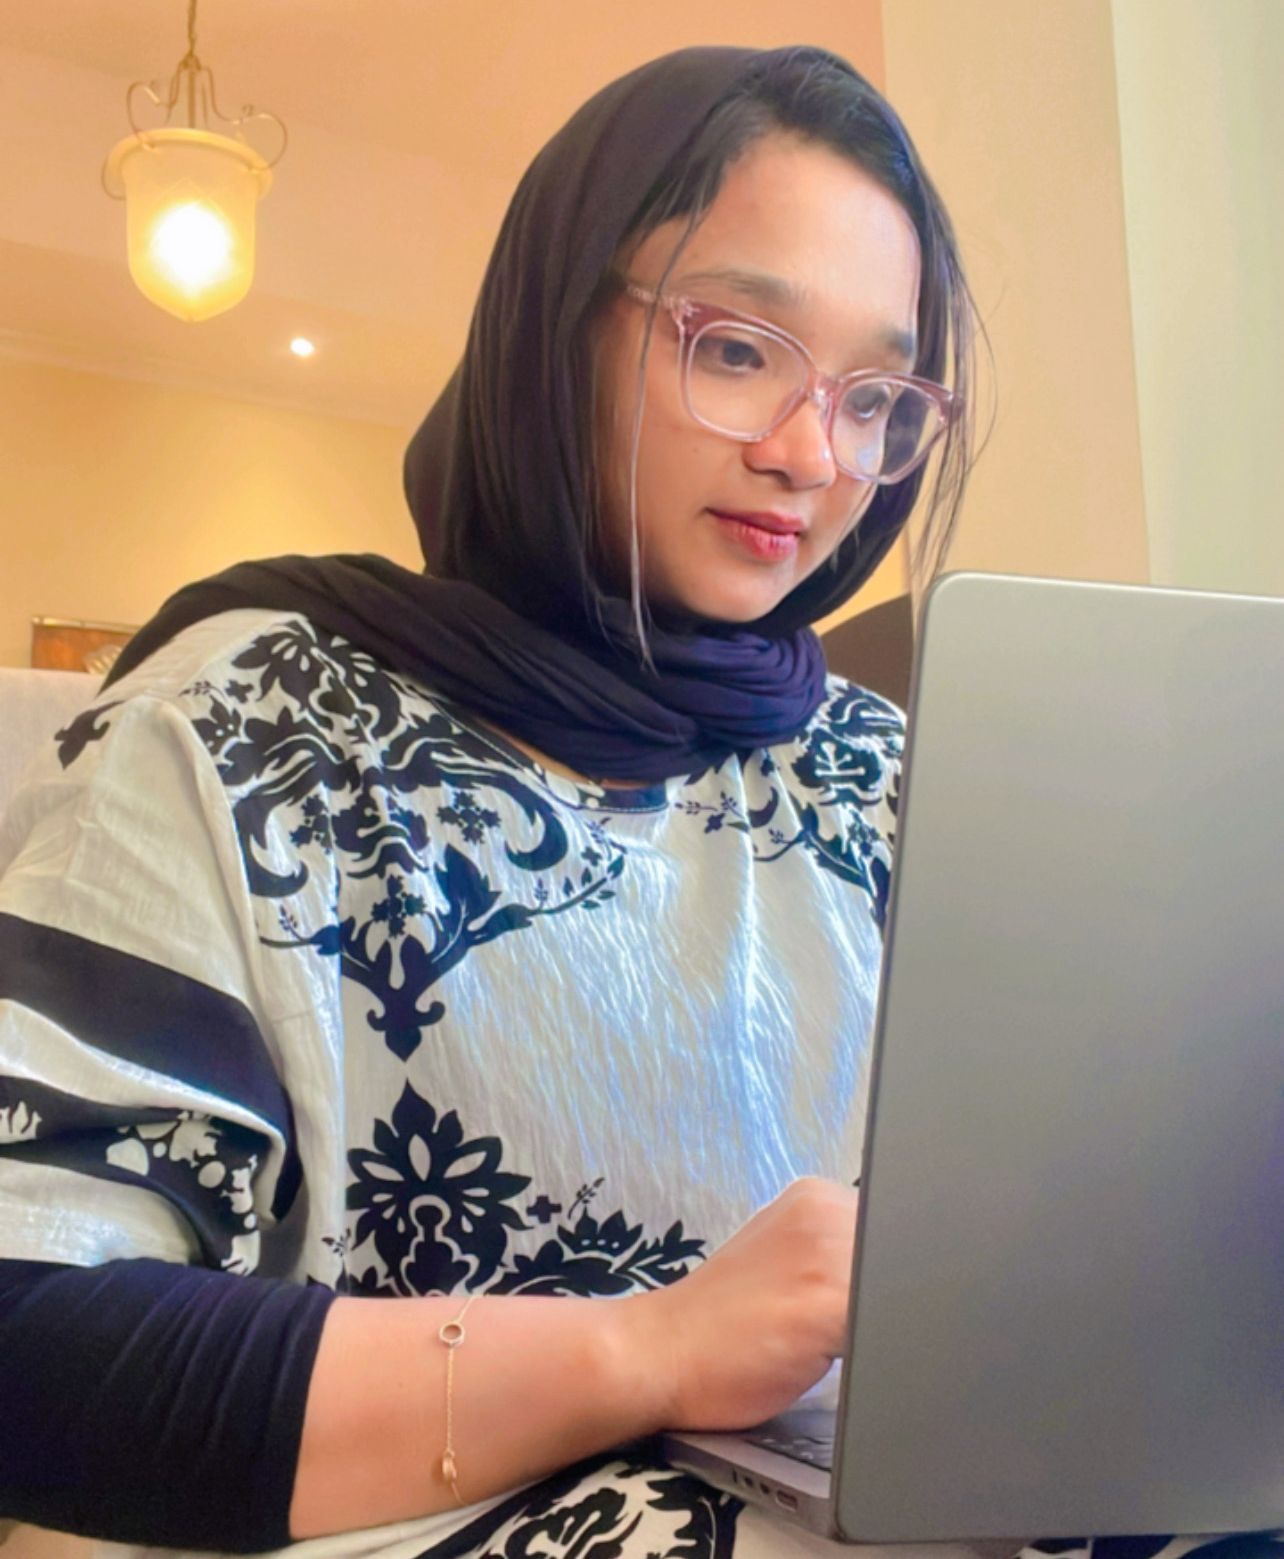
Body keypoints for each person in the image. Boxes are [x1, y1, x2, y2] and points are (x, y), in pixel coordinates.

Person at [0, 41, 1269, 1559]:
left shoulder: (883, 774)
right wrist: (650, 1348)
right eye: (736, 348)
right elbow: (31, 1340)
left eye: (876, 396)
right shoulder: (248, 728)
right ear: (557, 333)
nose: (812, 456)